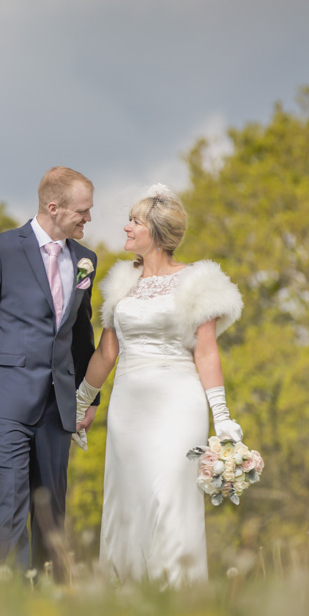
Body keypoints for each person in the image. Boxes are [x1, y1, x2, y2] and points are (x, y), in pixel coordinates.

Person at [74, 184, 243, 587]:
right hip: (128, 406)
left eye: (135, 222)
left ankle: (176, 600)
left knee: (169, 497)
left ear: (156, 231)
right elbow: (106, 354)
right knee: (126, 499)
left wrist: (222, 417)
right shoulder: (120, 283)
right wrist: (80, 403)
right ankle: (126, 599)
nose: (127, 228)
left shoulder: (197, 281)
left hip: (178, 403)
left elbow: (205, 352)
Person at [0, 166, 100, 575]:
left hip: (58, 406)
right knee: (12, 498)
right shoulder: (0, 249)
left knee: (51, 508)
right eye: (82, 212)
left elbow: (82, 335)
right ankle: (12, 601)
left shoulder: (85, 260)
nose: (88, 219)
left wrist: (88, 397)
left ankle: (48, 599)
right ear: (54, 207)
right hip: (4, 399)